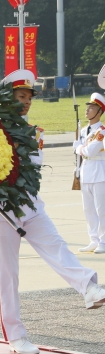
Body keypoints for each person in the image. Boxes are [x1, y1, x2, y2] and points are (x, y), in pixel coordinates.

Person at [0, 69, 105, 354]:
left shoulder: (34, 131)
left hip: (30, 205)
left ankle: (89, 288)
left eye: (29, 97)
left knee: (57, 246)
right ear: (7, 97)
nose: (26, 101)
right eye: (20, 96)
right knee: (8, 275)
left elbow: (34, 167)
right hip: (1, 212)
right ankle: (15, 335)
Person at [74, 92, 105, 253]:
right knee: (89, 209)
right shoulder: (84, 130)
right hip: (86, 172)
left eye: (92, 108)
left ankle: (104, 241)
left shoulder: (102, 131)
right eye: (87, 107)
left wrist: (78, 147)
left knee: (102, 210)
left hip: (100, 173)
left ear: (100, 112)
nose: (87, 110)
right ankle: (94, 239)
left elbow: (90, 152)